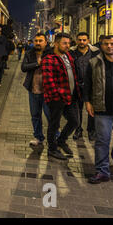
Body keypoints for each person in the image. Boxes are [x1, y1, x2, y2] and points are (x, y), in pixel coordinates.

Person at [84, 35, 113, 184]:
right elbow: (87, 83)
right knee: (102, 140)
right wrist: (87, 102)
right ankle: (102, 171)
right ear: (101, 46)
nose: (109, 46)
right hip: (102, 109)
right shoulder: (94, 62)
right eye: (106, 44)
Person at [42, 32, 80, 160]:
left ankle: (61, 140)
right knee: (54, 124)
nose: (67, 45)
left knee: (75, 121)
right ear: (56, 43)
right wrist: (57, 95)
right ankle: (52, 149)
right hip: (57, 99)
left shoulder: (68, 56)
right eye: (64, 43)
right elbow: (48, 81)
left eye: (69, 43)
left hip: (70, 96)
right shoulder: (49, 59)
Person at [21, 33, 51, 146]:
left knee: (50, 115)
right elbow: (23, 68)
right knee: (35, 115)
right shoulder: (29, 53)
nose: (38, 43)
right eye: (36, 41)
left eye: (40, 41)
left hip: (48, 91)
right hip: (33, 89)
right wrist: (37, 64)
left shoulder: (50, 53)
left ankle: (55, 137)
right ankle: (38, 137)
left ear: (45, 42)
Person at [69, 32, 99, 141]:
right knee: (77, 109)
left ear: (88, 41)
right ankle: (78, 129)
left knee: (91, 108)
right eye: (80, 40)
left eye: (84, 40)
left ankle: (91, 131)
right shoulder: (71, 52)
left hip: (91, 85)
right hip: (76, 85)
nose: (82, 42)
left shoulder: (96, 52)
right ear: (77, 41)